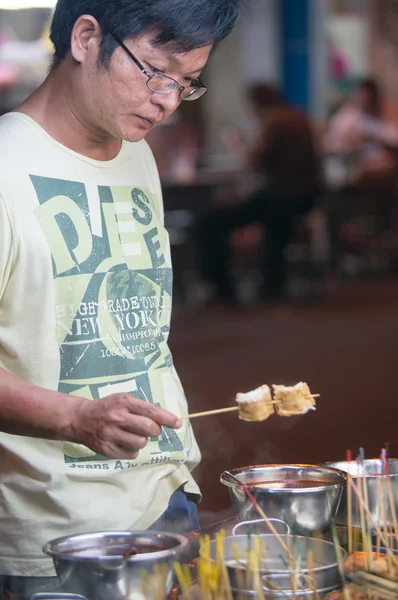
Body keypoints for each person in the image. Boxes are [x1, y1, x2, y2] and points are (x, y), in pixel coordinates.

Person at [0, 0, 243, 593]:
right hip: (58, 537)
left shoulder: (135, 152)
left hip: (165, 498)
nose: (166, 102)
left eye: (186, 85)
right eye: (156, 74)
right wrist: (76, 417)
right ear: (86, 38)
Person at [198, 83, 322, 303]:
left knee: (210, 222)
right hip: (305, 195)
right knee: (267, 224)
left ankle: (222, 290)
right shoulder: (296, 116)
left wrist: (237, 143)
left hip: (281, 197)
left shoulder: (275, 122)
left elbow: (254, 162)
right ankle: (270, 285)